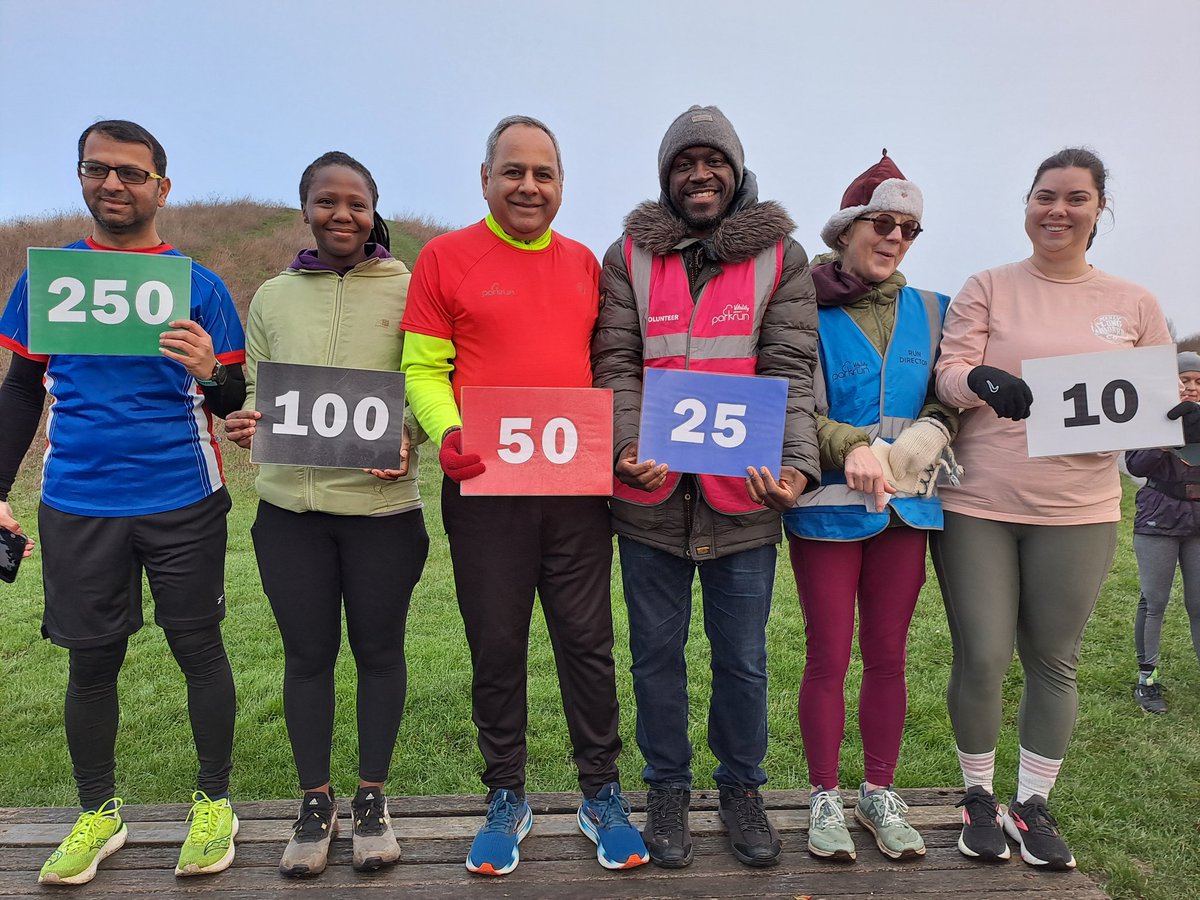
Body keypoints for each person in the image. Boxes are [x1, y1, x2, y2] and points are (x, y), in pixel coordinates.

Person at [399, 115, 647, 876]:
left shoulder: (586, 266)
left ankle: (600, 793)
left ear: (562, 185)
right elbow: (422, 367)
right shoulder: (445, 258)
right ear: (485, 179)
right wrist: (447, 434)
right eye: (513, 171)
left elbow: (611, 367)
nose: (528, 185)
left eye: (544, 173)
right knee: (497, 647)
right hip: (486, 491)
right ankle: (506, 795)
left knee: (587, 645)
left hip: (575, 492)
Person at [0, 119, 246, 885]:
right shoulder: (47, 279)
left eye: (131, 173)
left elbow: (233, 400)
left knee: (197, 648)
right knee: (91, 663)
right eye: (97, 170)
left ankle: (215, 804)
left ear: (161, 187)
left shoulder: (200, 286)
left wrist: (211, 369)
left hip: (183, 497)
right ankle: (98, 813)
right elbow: (18, 392)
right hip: (77, 500)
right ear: (80, 178)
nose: (114, 184)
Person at [932, 147, 1172, 870]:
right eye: (1044, 196)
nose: (1057, 210)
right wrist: (979, 377)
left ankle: (1032, 805)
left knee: (1053, 661)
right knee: (982, 653)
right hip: (981, 499)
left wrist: (1179, 417)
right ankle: (978, 796)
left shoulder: (1133, 304)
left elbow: (1152, 408)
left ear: (1100, 210)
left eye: (1075, 198)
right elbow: (946, 377)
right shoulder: (990, 285)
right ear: (1027, 205)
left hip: (1080, 510)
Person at [593, 105, 819, 869]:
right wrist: (625, 446)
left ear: (736, 170)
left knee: (743, 660)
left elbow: (790, 367)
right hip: (649, 501)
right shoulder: (625, 255)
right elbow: (617, 364)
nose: (700, 174)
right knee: (654, 656)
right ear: (667, 175)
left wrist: (795, 467)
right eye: (685, 163)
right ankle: (665, 788)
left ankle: (742, 789)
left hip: (743, 499)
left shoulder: (783, 257)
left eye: (712, 161)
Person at [223, 152, 429, 877]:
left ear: (376, 212)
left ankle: (372, 799)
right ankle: (315, 803)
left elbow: (435, 382)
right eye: (326, 201)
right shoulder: (273, 297)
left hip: (382, 512)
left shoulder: (414, 289)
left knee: (380, 655)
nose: (342, 214)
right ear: (304, 207)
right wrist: (246, 419)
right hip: (290, 514)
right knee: (306, 659)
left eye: (356, 203)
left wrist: (413, 435)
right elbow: (251, 385)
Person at [781, 153, 959, 862]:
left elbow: (949, 396)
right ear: (847, 229)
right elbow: (799, 411)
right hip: (828, 510)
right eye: (882, 223)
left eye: (909, 228)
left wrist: (937, 425)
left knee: (888, 656)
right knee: (828, 656)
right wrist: (855, 443)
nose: (895, 238)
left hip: (907, 512)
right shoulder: (804, 306)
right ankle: (823, 795)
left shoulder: (935, 310)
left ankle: (878, 791)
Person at [1124, 351, 1200, 714]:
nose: (1191, 386)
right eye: (1185, 379)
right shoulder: (1151, 415)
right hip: (1158, 520)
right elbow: (1135, 463)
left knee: (1198, 604)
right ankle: (1147, 679)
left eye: (1198, 381)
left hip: (1198, 524)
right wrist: (1167, 436)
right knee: (1154, 602)